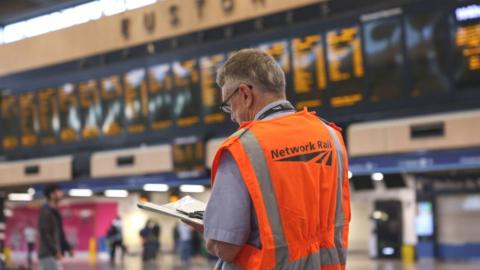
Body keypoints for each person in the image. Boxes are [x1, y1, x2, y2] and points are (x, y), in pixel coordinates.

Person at [185, 49, 351, 269]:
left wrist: (210, 227)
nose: (232, 115)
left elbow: (225, 246)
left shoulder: (243, 147)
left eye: (228, 105)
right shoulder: (331, 136)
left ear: (245, 94)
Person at [38, 184, 73, 270]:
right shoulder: (46, 212)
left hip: (52, 254)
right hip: (48, 253)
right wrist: (54, 251)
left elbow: (60, 232)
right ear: (52, 195)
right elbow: (45, 234)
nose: (61, 193)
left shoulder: (55, 212)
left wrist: (67, 247)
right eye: (58, 191)